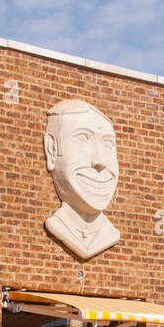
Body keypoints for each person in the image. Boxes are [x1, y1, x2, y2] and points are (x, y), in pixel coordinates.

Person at [43, 99, 121, 259]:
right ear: (52, 150)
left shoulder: (110, 234)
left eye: (108, 143)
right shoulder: (57, 225)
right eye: (83, 138)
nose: (100, 161)